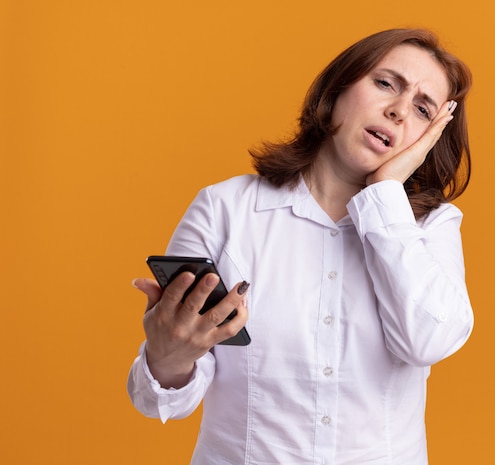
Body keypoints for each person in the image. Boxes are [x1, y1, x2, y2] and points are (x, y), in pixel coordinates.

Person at [128, 28, 474, 465]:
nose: (399, 111)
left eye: (423, 109)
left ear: (430, 138)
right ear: (339, 89)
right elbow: (163, 401)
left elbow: (427, 342)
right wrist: (168, 358)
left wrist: (385, 193)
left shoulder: (430, 228)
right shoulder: (225, 208)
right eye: (386, 83)